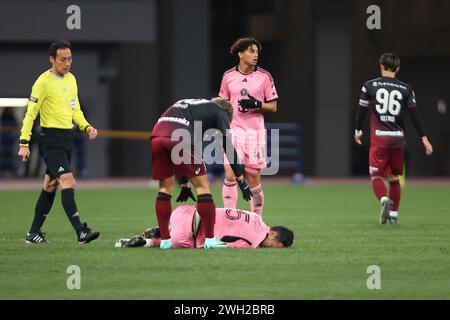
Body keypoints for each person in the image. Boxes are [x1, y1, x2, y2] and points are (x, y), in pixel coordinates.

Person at [18, 40, 100, 244]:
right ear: (52, 59)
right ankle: (81, 232)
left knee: (50, 185)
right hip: (51, 140)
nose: (67, 63)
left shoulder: (71, 79)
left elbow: (75, 110)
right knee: (68, 181)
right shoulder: (43, 82)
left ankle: (33, 233)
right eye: (62, 59)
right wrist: (24, 143)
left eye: (70, 59)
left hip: (67, 139)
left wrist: (86, 126)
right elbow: (30, 114)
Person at [150, 98, 252, 250]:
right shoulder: (220, 111)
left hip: (157, 134)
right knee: (203, 187)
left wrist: (184, 183)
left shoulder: (194, 107)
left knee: (164, 189)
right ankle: (210, 240)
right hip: (179, 135)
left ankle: (165, 241)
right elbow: (228, 146)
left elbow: (180, 154)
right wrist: (241, 179)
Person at [354, 52, 433, 224]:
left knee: (376, 176)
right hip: (398, 139)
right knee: (394, 178)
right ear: (397, 68)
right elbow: (414, 115)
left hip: (379, 139)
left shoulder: (369, 86)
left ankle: (384, 200)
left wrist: (358, 130)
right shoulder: (406, 89)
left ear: (381, 66)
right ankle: (394, 216)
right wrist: (424, 138)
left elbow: (361, 111)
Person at [218, 37, 278, 216]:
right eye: (251, 51)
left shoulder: (264, 77)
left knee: (252, 178)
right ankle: (230, 218)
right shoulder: (228, 76)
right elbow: (223, 104)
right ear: (240, 53)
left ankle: (257, 221)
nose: (255, 55)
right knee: (230, 173)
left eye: (257, 52)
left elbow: (273, 106)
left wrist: (256, 104)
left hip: (255, 134)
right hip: (233, 132)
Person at [115, 204, 294, 249]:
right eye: (273, 247)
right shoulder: (252, 242)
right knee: (191, 244)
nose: (267, 248)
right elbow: (218, 247)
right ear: (272, 234)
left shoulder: (255, 216)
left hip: (184, 211)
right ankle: (148, 242)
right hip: (185, 232)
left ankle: (162, 229)